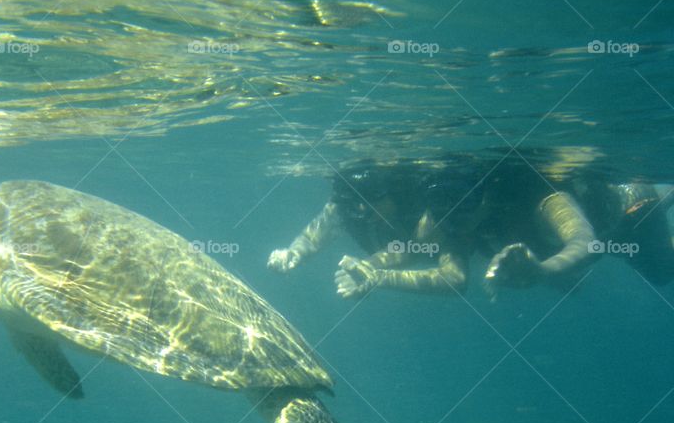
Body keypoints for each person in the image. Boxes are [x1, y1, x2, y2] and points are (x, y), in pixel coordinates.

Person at [267, 152, 628, 299]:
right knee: (570, 285)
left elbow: (584, 242)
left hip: (630, 214)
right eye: (438, 212)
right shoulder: (449, 212)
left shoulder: (534, 189)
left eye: (454, 212)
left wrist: (542, 269)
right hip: (551, 262)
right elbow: (413, 249)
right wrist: (371, 270)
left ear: (483, 195)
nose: (442, 222)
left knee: (662, 268)